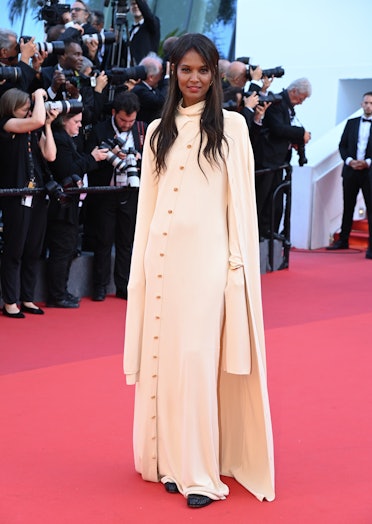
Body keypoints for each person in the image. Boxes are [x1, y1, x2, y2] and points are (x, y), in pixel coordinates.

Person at [123, 33, 275, 508]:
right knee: (164, 363)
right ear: (173, 73)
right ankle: (170, 461)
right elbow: (146, 206)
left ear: (215, 76)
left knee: (195, 362)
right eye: (185, 69)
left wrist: (236, 267)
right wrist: (141, 268)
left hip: (208, 267)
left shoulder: (233, 127)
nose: (194, 78)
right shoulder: (154, 130)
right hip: (161, 262)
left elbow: (241, 209)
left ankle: (202, 474)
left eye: (203, 70)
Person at [0, 88, 57, 318]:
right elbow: (37, 118)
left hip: (38, 195)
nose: (29, 110)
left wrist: (49, 126)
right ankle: (10, 301)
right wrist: (38, 96)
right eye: (24, 107)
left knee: (33, 249)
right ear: (11, 107)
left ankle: (27, 297)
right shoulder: (6, 124)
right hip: (16, 196)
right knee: (15, 249)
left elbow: (50, 155)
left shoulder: (33, 127)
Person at [85, 91, 147, 301]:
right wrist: (109, 155)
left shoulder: (142, 130)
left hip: (131, 192)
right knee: (103, 240)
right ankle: (100, 286)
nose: (127, 124)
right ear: (113, 113)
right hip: (106, 192)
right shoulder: (100, 130)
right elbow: (89, 160)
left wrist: (138, 158)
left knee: (126, 241)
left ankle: (123, 285)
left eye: (131, 120)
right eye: (123, 120)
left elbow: (151, 159)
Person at [45, 110, 108, 308]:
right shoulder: (60, 139)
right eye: (76, 122)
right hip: (61, 206)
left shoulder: (67, 138)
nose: (80, 126)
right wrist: (92, 158)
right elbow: (67, 170)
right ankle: (57, 295)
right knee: (62, 250)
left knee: (68, 249)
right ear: (64, 121)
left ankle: (62, 291)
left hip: (71, 205)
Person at [254, 77, 312, 239]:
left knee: (276, 203)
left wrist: (295, 140)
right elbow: (277, 129)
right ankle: (259, 234)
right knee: (263, 200)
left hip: (279, 162)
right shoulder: (277, 103)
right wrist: (301, 133)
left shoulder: (288, 106)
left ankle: (270, 234)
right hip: (267, 160)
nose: (301, 102)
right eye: (301, 98)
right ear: (293, 91)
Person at [327, 91, 372, 258]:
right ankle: (343, 240)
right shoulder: (352, 123)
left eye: (371, 103)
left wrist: (367, 162)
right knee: (348, 206)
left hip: (369, 173)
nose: (368, 105)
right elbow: (343, 145)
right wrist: (349, 161)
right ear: (361, 104)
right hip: (350, 171)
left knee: (371, 208)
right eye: (366, 102)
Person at [130, 53, 166, 124]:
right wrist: (167, 78)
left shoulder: (151, 88)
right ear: (151, 77)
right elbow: (160, 101)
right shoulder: (140, 90)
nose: (161, 78)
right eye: (160, 75)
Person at [127, 0, 160, 66]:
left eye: (138, 4)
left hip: (145, 70)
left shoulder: (151, 24)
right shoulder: (131, 31)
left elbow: (148, 17)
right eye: (133, 4)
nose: (136, 6)